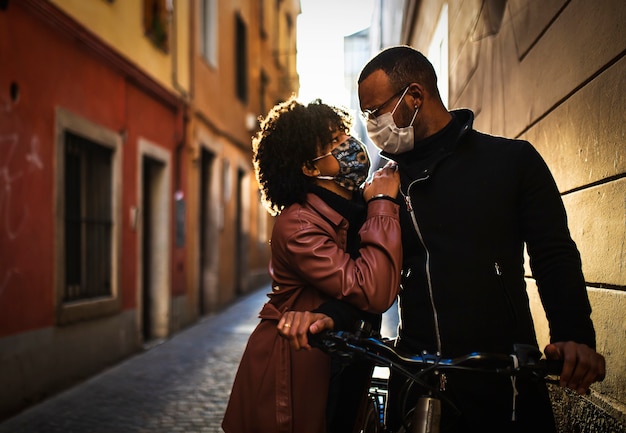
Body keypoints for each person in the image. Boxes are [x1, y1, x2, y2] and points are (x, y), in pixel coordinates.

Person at [278, 46, 606, 432]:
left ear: (414, 97)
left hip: (504, 380)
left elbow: (554, 255)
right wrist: (329, 317)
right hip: (416, 382)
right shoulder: (383, 188)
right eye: (366, 115)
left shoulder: (511, 160)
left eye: (376, 111)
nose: (371, 124)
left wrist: (574, 335)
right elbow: (372, 277)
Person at [221, 96, 402, 433]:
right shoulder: (299, 224)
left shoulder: (354, 208)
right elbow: (372, 291)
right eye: (335, 142)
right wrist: (381, 203)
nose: (350, 145)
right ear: (310, 167)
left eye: (344, 135)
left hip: (342, 356)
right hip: (297, 362)